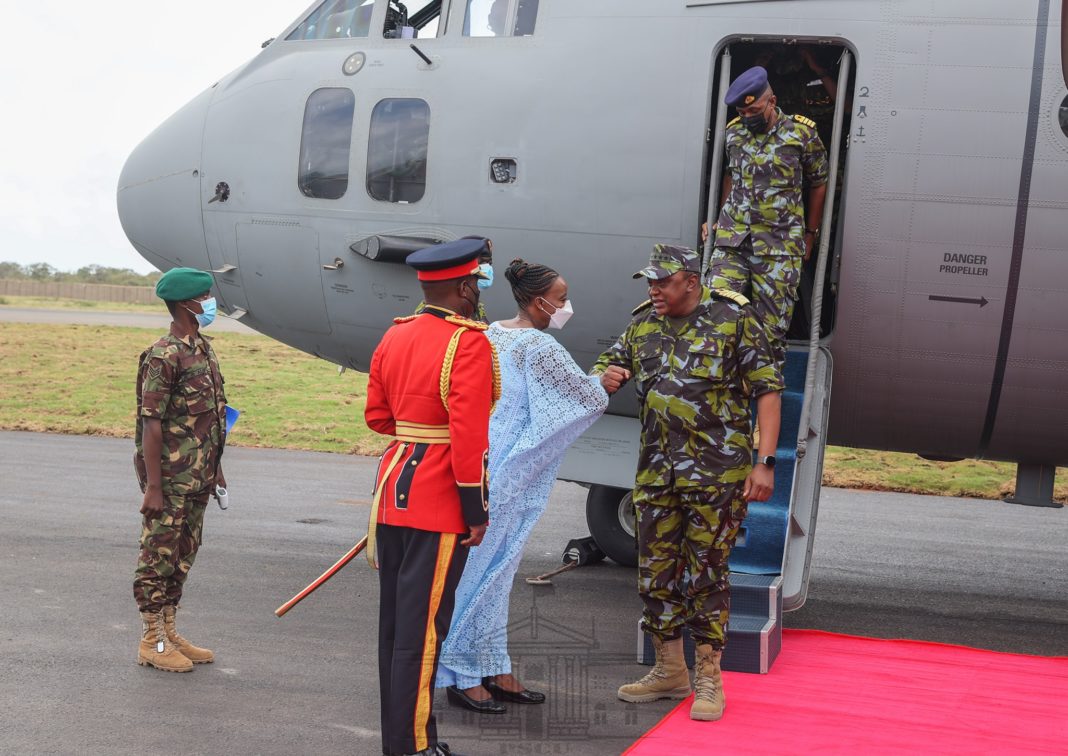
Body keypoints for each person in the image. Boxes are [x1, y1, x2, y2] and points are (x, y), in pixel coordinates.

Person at [593, 244, 783, 722]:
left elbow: (767, 390)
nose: (653, 290)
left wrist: (765, 462)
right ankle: (669, 668)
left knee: (707, 574)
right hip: (657, 475)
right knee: (653, 571)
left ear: (691, 282)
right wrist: (605, 376)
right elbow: (606, 365)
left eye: (662, 282)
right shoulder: (643, 325)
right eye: (649, 282)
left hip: (717, 476)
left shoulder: (733, 321)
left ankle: (709, 676)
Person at [437, 259, 608, 713]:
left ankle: (493, 665)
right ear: (540, 301)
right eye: (562, 296)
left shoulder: (491, 333)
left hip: (486, 464)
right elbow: (583, 399)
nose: (566, 305)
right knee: (486, 574)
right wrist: (604, 382)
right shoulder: (539, 345)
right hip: (512, 473)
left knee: (496, 572)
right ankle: (463, 674)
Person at [364, 238, 499, 756]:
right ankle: (412, 747)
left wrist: (416, 432)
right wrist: (475, 509)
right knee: (422, 636)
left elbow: (378, 418)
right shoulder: (468, 343)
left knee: (397, 629)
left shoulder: (396, 334)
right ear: (465, 286)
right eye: (477, 283)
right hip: (440, 497)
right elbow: (469, 437)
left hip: (393, 487)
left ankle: (407, 738)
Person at [702, 64, 829, 369]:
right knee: (713, 314)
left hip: (780, 247)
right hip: (734, 241)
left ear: (771, 101)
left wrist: (811, 232)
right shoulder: (733, 133)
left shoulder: (802, 134)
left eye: (753, 110)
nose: (748, 117)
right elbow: (732, 175)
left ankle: (762, 412)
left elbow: (819, 183)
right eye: (742, 113)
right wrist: (719, 217)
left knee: (770, 334)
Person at [133, 267, 227, 673]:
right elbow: (150, 423)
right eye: (205, 296)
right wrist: (153, 487)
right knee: (158, 556)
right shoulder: (163, 355)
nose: (211, 303)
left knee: (183, 555)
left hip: (198, 475)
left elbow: (212, 417)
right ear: (187, 304)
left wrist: (217, 468)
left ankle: (169, 631)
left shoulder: (202, 349)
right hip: (169, 479)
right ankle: (150, 639)